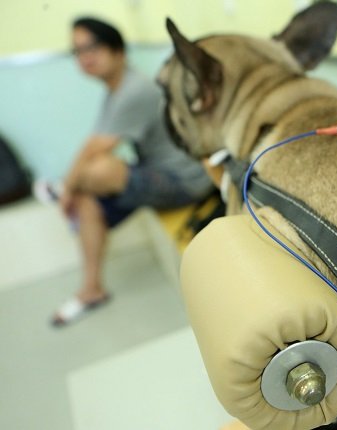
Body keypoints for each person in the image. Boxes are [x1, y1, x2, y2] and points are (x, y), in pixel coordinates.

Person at [43, 17, 214, 327]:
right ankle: (91, 289)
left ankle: (57, 191)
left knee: (98, 171)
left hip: (186, 181)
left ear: (118, 50)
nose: (85, 57)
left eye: (92, 47)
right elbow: (92, 146)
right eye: (78, 51)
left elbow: (94, 151)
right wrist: (74, 190)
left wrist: (66, 190)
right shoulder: (115, 90)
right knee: (87, 197)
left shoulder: (134, 90)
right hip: (155, 172)